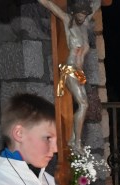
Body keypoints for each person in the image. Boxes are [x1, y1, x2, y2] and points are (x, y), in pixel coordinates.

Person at [37, 0, 101, 149]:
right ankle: (77, 143)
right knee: (84, 104)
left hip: (79, 72)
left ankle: (73, 138)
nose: (82, 17)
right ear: (74, 13)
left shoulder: (84, 25)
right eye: (80, 14)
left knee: (84, 105)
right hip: (70, 68)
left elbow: (96, 4)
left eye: (84, 15)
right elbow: (50, 4)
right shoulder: (67, 21)